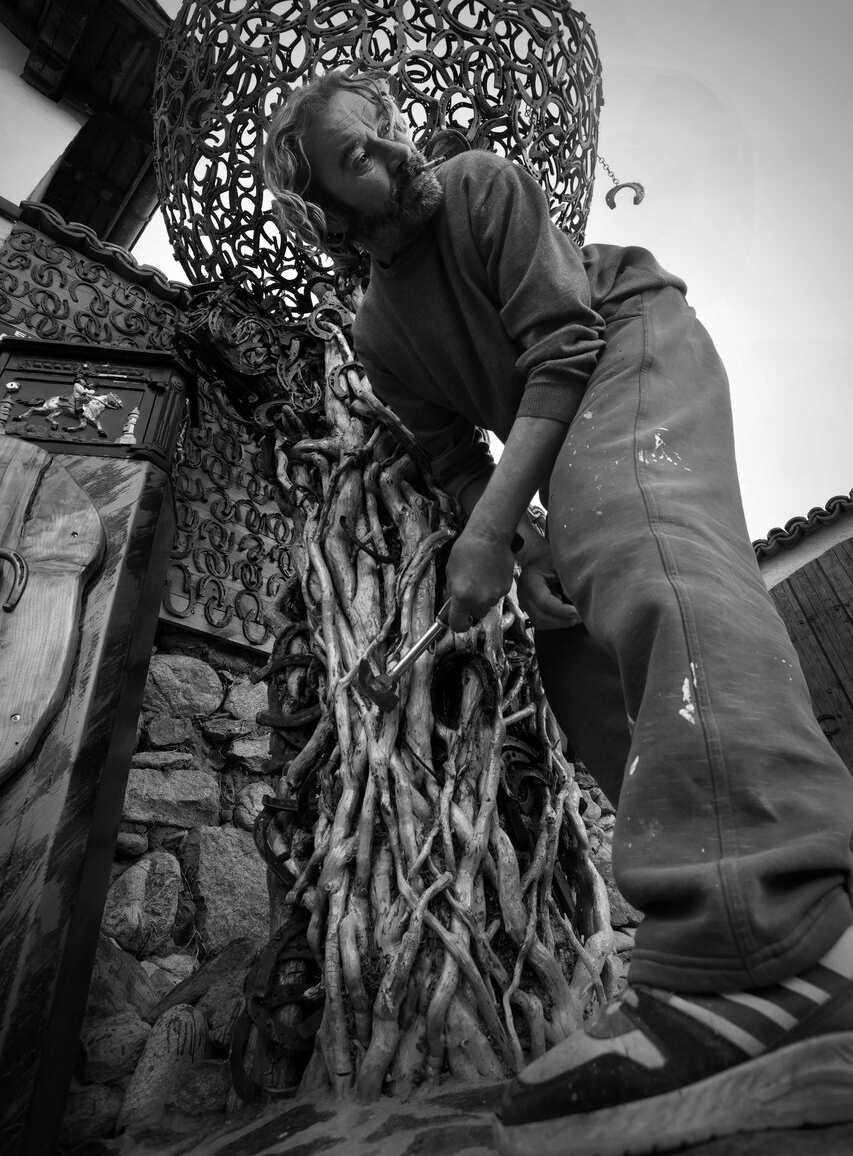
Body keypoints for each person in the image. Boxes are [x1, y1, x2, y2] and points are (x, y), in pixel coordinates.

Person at [262, 67, 853, 1155]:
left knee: (635, 539)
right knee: (579, 665)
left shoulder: (479, 184)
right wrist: (523, 548)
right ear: (326, 211)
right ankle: (722, 932)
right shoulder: (380, 334)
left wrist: (495, 533)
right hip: (557, 436)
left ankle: (782, 945)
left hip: (626, 339)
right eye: (356, 157)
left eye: (382, 129)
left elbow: (564, 342)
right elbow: (451, 457)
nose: (392, 151)